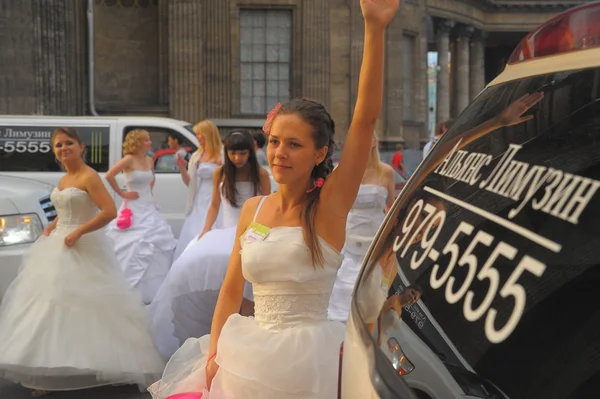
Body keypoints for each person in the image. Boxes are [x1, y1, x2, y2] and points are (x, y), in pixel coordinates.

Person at [148, 1, 400, 398]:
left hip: (310, 361)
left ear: (319, 154)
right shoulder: (254, 209)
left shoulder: (330, 204)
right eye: (275, 141)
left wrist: (374, 27)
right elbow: (231, 291)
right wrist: (215, 353)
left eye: (294, 144)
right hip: (247, 355)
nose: (279, 152)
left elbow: (365, 119)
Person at [0, 127, 165, 396]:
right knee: (50, 307)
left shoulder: (89, 176)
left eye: (69, 143)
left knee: (94, 306)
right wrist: (53, 226)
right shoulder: (65, 179)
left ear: (80, 147)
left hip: (83, 244)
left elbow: (109, 211)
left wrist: (79, 231)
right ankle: (46, 369)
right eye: (58, 145)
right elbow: (66, 208)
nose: (63, 148)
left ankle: (114, 363)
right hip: (58, 244)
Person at [150, 130, 270, 360]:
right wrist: (205, 229)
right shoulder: (220, 173)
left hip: (253, 231)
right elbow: (214, 204)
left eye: (242, 153)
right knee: (193, 264)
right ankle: (220, 329)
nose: (238, 158)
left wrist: (265, 233)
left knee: (251, 277)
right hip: (226, 231)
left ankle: (249, 329)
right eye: (233, 153)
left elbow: (267, 204)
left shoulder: (261, 174)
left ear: (250, 153)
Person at [105, 129, 177, 304]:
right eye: (146, 140)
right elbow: (109, 175)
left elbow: (151, 179)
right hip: (134, 208)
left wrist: (150, 194)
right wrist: (123, 194)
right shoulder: (129, 159)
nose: (150, 143)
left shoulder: (149, 160)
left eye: (149, 140)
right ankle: (127, 286)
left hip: (149, 206)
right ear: (137, 142)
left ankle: (154, 291)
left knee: (157, 242)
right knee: (132, 243)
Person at [327, 135, 395, 322]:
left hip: (375, 241)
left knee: (369, 292)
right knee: (341, 290)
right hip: (347, 240)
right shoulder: (343, 171)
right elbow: (334, 205)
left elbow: (391, 206)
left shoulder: (386, 172)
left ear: (374, 142)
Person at [173, 120, 223, 260]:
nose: (198, 137)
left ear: (209, 134)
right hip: (200, 198)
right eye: (197, 135)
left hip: (219, 196)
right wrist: (182, 168)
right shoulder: (197, 156)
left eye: (201, 134)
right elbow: (190, 182)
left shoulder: (223, 153)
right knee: (195, 231)